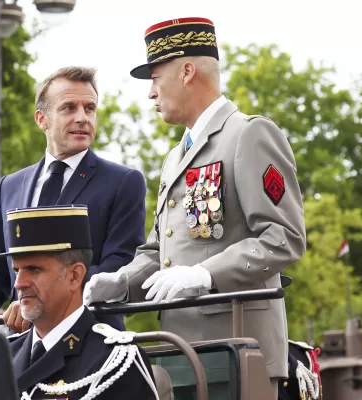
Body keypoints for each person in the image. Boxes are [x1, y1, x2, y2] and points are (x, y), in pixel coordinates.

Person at [83, 17, 306, 399]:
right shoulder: (175, 157)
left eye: (155, 78)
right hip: (178, 350)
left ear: (187, 71)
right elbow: (160, 250)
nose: (151, 93)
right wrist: (123, 283)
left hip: (237, 350)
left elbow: (284, 237)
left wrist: (205, 274)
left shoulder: (248, 134)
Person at [0, 66, 147, 334]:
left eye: (89, 108)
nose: (82, 117)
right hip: (23, 346)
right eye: (69, 108)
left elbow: (119, 266)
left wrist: (38, 297)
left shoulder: (123, 181)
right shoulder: (11, 185)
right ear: (42, 119)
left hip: (90, 342)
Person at [0, 205, 157, 399]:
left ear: (75, 276)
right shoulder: (1, 359)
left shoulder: (114, 362)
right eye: (17, 270)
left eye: (33, 269)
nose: (19, 283)